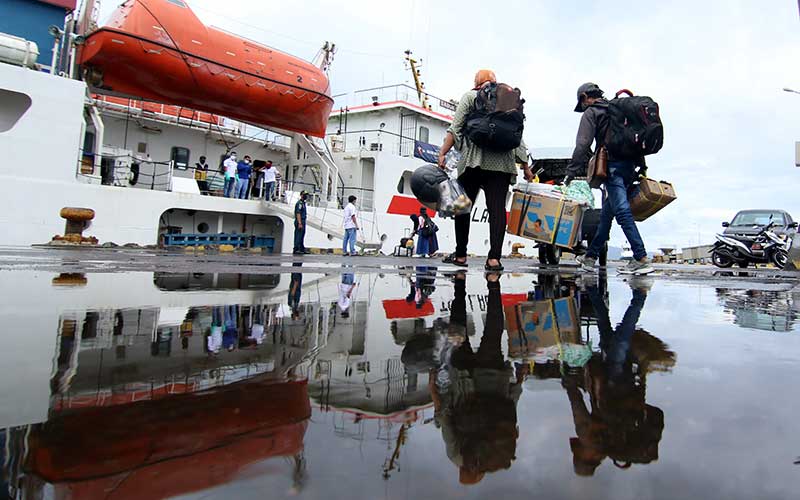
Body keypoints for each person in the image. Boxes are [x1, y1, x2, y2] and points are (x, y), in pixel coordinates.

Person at [563, 277, 670, 476]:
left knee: (606, 331)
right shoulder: (592, 439)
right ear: (585, 456)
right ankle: (639, 297)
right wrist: (570, 382)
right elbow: (578, 407)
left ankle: (594, 291)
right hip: (612, 383)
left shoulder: (615, 447)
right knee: (621, 339)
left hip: (626, 386)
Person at [430, 273, 523, 485]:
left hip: (493, 380)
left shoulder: (495, 456)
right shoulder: (457, 456)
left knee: (493, 330)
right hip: (464, 379)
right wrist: (434, 389)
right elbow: (444, 416)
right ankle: (460, 286)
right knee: (458, 332)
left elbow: (510, 413)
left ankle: (493, 287)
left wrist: (519, 381)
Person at [438, 69, 533, 271]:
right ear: (495, 82)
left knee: (462, 207)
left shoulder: (471, 96)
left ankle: (461, 255)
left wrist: (442, 153)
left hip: (473, 162)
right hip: (502, 165)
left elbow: (455, 128)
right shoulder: (507, 99)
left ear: (476, 82)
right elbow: (518, 137)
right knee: (497, 210)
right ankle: (494, 259)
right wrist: (525, 166)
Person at [566, 82, 654, 275]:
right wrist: (642, 167)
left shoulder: (592, 112)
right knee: (607, 214)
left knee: (622, 211)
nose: (583, 108)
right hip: (630, 167)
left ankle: (641, 257)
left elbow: (582, 144)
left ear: (584, 98)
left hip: (612, 167)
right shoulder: (619, 110)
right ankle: (590, 257)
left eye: (582, 104)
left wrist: (571, 173)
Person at [293, 190, 310, 254]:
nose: (306, 196)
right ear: (302, 195)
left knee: (302, 235)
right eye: (305, 195)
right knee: (298, 235)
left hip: (303, 221)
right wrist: (300, 223)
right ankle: (296, 248)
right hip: (300, 221)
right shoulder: (299, 203)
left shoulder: (303, 203)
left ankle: (301, 248)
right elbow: (298, 213)